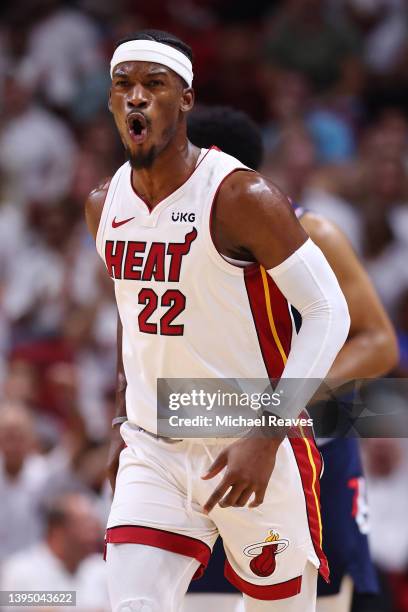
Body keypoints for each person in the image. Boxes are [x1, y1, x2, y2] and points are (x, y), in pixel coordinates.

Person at [85, 29, 350, 612]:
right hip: (153, 445)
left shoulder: (240, 195)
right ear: (109, 101)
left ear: (185, 100)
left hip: (250, 438)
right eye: (123, 85)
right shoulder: (103, 205)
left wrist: (267, 431)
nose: (136, 97)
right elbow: (136, 322)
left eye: (154, 85)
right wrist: (121, 420)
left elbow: (329, 311)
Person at [187, 105, 398, 612]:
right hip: (209, 445)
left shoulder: (313, 232)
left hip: (313, 448)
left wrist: (284, 403)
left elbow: (378, 343)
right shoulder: (171, 240)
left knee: (320, 600)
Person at [1, 492, 108, 611]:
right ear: (58, 531)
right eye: (85, 527)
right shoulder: (20, 571)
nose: (93, 536)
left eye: (94, 527)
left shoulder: (101, 569)